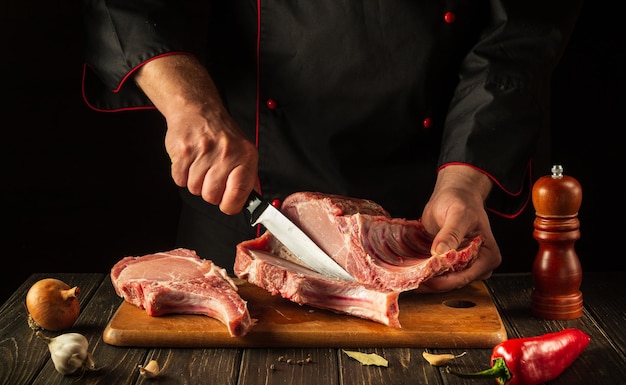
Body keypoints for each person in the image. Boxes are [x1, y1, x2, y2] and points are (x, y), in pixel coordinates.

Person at [80, 1, 581, 292]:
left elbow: (520, 31)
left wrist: (465, 180)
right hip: (247, 191)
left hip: (427, 214)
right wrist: (190, 105)